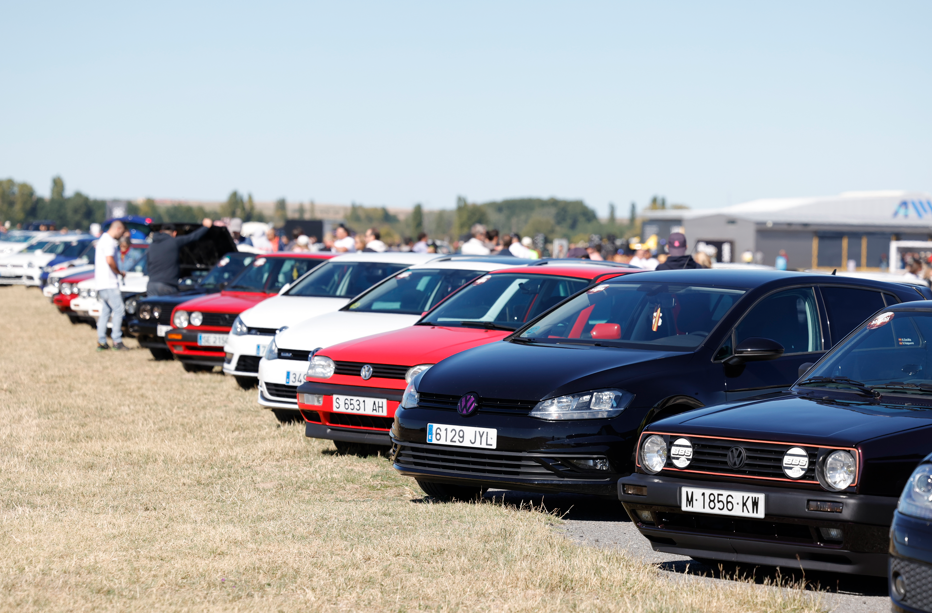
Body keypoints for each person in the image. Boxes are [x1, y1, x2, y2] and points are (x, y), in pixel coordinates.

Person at [146, 218, 213, 296]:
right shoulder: (174, 242)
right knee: (168, 308)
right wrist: (206, 227)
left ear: (161, 231)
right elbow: (193, 237)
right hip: (167, 286)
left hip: (151, 285)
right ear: (174, 233)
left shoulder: (151, 246)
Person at [95, 220, 128, 351]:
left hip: (101, 284)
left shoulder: (102, 239)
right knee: (119, 310)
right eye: (122, 232)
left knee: (106, 312)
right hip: (109, 283)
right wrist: (119, 272)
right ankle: (117, 341)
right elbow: (110, 260)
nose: (121, 236)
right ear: (118, 229)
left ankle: (102, 341)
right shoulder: (109, 241)